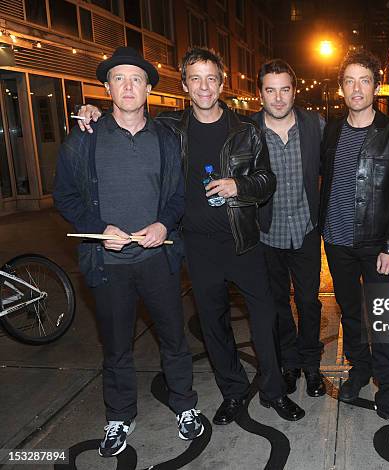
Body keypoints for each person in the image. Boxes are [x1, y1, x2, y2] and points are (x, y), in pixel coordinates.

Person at [77, 47, 305, 425]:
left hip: (243, 243)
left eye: (211, 78)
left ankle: (274, 392)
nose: (203, 86)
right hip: (197, 247)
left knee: (264, 321)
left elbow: (267, 181)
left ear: (221, 83)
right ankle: (233, 392)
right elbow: (128, 117)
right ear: (184, 85)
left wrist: (239, 184)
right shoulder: (169, 128)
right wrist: (93, 113)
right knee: (214, 327)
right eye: (195, 78)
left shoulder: (246, 130)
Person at [53, 46, 202, 458]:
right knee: (116, 345)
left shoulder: (167, 138)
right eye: (119, 78)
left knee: (173, 338)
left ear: (149, 89)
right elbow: (64, 197)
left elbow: (177, 195)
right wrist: (99, 230)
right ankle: (119, 415)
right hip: (108, 265)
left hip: (158, 260)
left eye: (137, 78)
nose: (128, 86)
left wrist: (163, 224)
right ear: (106, 87)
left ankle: (185, 405)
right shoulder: (84, 140)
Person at [320, 49, 389, 436]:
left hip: (377, 245)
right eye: (349, 80)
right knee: (349, 315)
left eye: (364, 80)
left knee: (383, 321)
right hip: (337, 242)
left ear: (376, 86)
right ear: (341, 87)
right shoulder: (331, 130)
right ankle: (359, 370)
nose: (356, 88)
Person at [252, 59, 326, 398]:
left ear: (294, 91)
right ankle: (290, 362)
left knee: (310, 303)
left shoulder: (315, 126)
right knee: (278, 304)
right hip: (268, 235)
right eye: (271, 90)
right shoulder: (247, 130)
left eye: (285, 89)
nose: (278, 98)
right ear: (261, 94)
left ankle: (312, 365)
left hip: (307, 232)